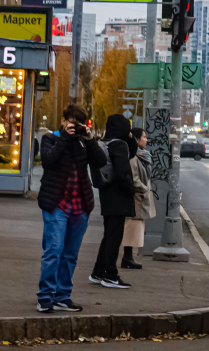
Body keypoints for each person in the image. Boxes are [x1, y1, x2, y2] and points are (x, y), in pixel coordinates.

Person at [35, 104, 107, 313]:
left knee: (70, 255)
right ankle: (46, 296)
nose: (75, 127)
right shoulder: (51, 138)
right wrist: (66, 138)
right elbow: (48, 161)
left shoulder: (83, 143)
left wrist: (89, 139)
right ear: (63, 121)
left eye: (79, 124)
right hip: (56, 205)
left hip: (79, 207)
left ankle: (62, 296)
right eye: (72, 122)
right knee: (54, 251)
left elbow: (100, 161)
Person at [90, 114, 136, 289]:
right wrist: (131, 190)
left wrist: (129, 137)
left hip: (107, 194)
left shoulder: (107, 142)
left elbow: (131, 152)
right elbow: (123, 172)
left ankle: (98, 272)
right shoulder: (119, 145)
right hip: (119, 197)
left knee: (109, 235)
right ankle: (111, 275)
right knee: (114, 237)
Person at [122, 126, 153, 270]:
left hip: (140, 197)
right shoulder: (133, 156)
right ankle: (127, 258)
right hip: (136, 197)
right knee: (132, 228)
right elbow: (134, 178)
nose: (146, 139)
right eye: (144, 137)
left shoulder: (142, 154)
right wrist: (145, 188)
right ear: (137, 139)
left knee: (135, 228)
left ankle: (129, 257)